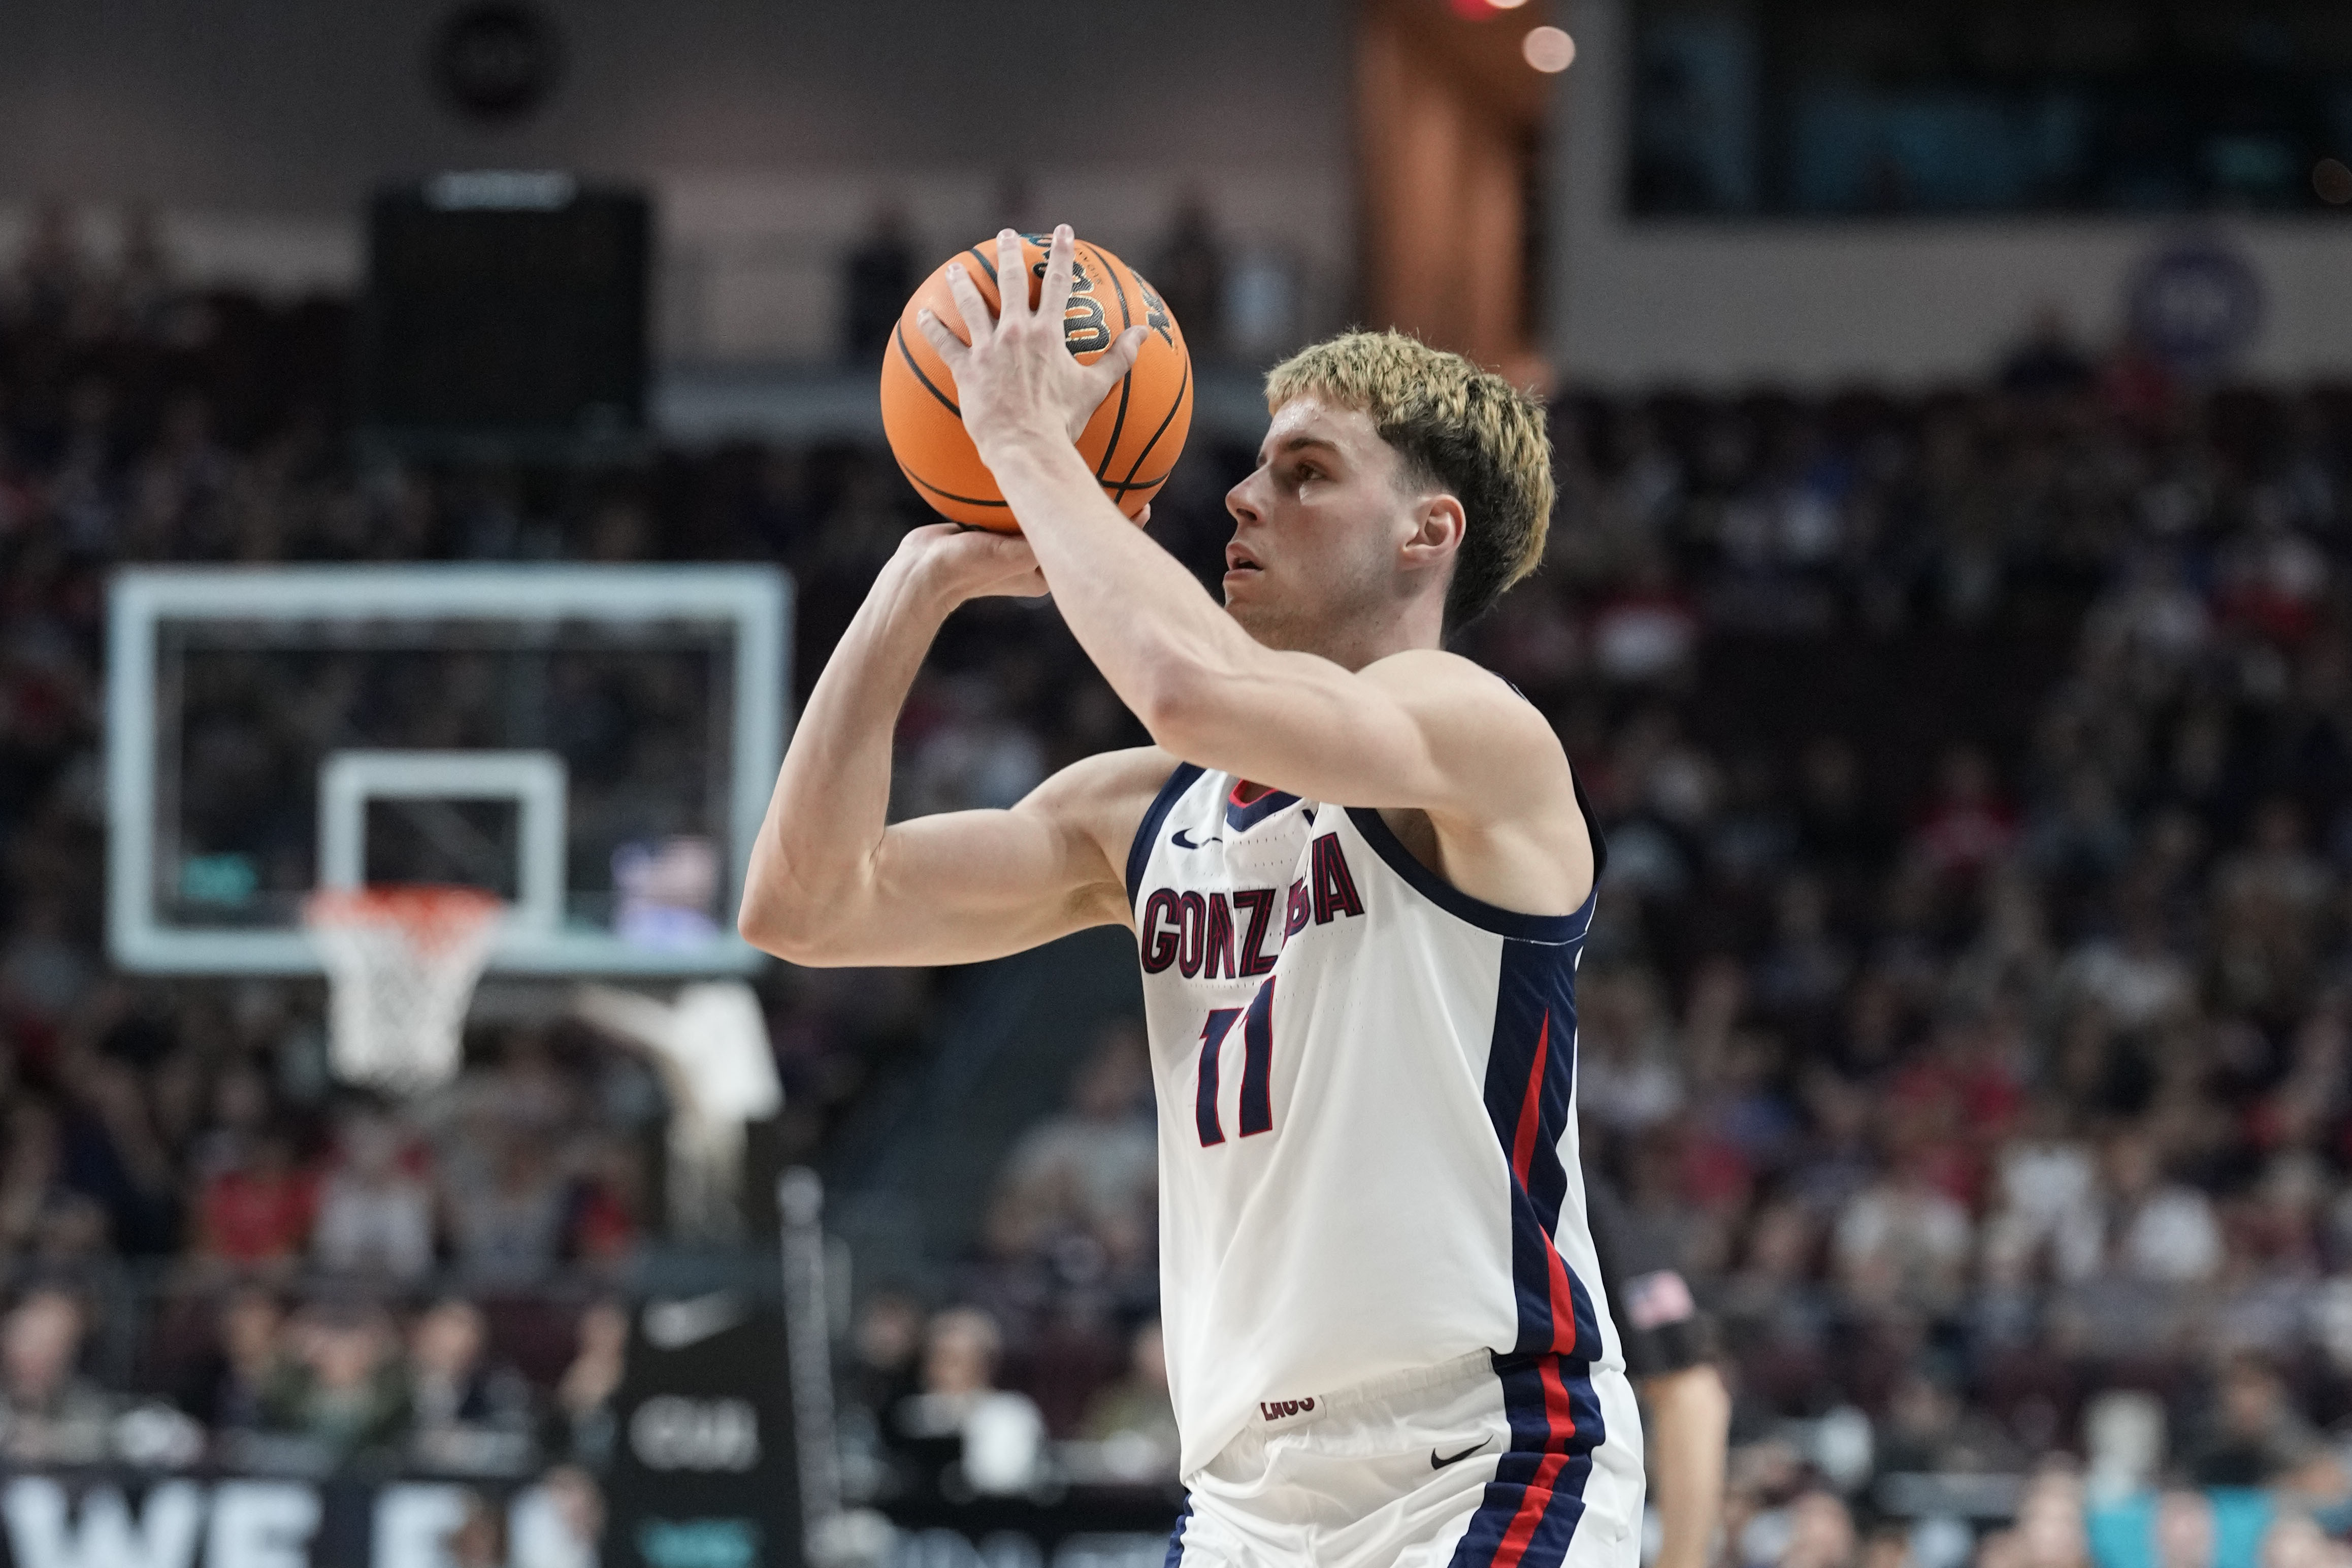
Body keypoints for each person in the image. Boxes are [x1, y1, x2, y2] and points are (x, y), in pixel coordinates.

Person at [741, 228, 1640, 1567]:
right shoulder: (1144, 811)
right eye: (1257, 462)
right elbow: (807, 905)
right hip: (1243, 1499)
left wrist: (1031, 442)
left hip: (1487, 1459)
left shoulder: (1476, 736)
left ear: (1427, 532)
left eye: (1308, 471)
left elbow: (1191, 688)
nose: (1242, 497)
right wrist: (912, 586)